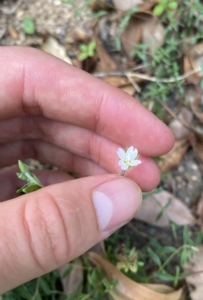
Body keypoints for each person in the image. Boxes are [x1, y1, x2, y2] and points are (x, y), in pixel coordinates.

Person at [0, 47, 174, 293]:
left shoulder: (127, 160)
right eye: (127, 161)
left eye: (128, 161)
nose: (127, 161)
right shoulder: (123, 160)